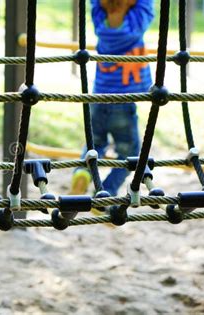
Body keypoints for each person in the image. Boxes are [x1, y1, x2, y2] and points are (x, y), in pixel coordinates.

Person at [70, 0, 154, 198]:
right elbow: (146, 7)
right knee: (132, 153)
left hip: (98, 98)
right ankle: (107, 192)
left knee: (95, 144)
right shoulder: (134, 25)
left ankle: (82, 172)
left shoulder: (100, 23)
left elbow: (95, 4)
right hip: (123, 102)